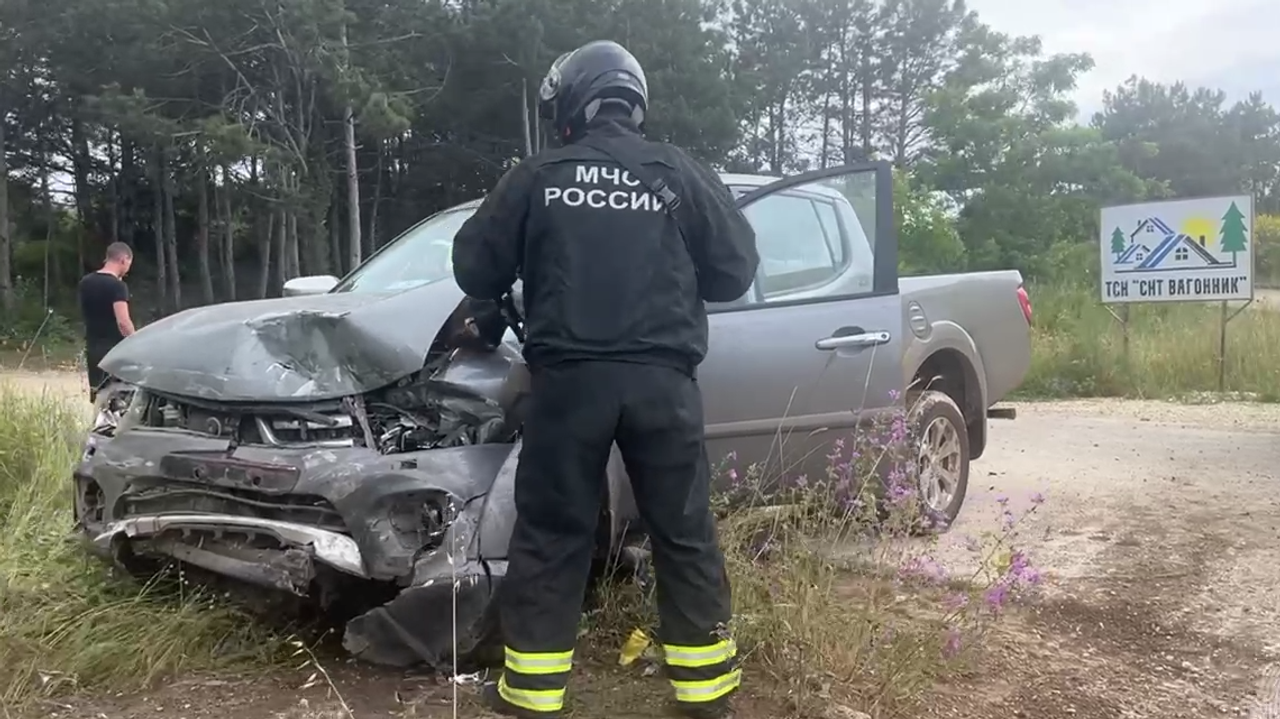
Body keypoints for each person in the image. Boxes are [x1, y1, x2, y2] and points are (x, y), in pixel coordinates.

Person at [451, 40, 759, 719]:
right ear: (632, 100)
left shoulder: (537, 175)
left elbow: (474, 269)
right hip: (663, 384)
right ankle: (706, 694)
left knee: (553, 532)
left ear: (569, 104)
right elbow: (736, 272)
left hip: (570, 387)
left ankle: (532, 696)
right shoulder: (680, 172)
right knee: (683, 531)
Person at [77, 242, 136, 402]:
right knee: (119, 399)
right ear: (124, 260)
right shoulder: (118, 286)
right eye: (129, 264)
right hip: (114, 351)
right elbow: (123, 322)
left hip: (93, 347)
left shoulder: (85, 282)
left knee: (99, 396)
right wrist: (137, 341)